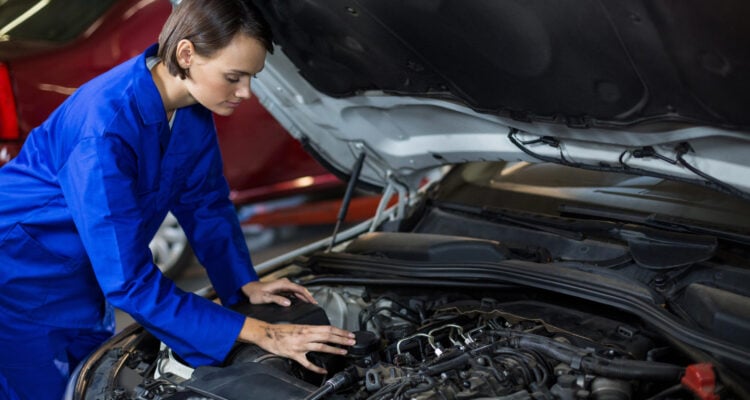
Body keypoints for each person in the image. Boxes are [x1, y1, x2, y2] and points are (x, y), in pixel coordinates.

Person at [0, 0, 355, 398]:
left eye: (252, 78)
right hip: (18, 274)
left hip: (82, 272)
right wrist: (262, 333)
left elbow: (206, 204)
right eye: (234, 77)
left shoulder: (189, 107)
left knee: (91, 378)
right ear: (186, 54)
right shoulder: (103, 129)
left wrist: (243, 283)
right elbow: (129, 281)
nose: (246, 93)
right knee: (44, 390)